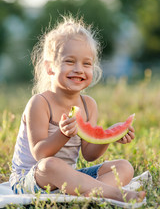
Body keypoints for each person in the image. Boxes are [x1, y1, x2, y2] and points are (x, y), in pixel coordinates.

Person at [10, 16, 146, 202]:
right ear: (50, 68)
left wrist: (110, 136)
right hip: (30, 179)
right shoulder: (40, 103)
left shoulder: (89, 105)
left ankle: (86, 192)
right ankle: (113, 193)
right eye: (69, 61)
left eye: (86, 63)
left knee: (124, 167)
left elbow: (89, 155)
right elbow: (40, 154)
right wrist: (63, 134)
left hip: (67, 179)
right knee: (50, 164)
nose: (79, 69)